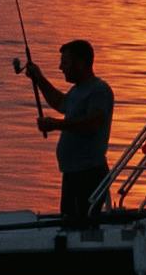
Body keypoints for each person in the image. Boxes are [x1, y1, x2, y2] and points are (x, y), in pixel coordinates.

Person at [26, 40, 115, 228]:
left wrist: (56, 125)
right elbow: (60, 103)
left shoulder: (99, 90)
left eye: (65, 63)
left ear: (81, 63)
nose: (60, 67)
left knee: (82, 229)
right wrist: (39, 79)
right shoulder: (77, 91)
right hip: (72, 174)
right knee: (68, 225)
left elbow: (93, 124)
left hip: (89, 175)